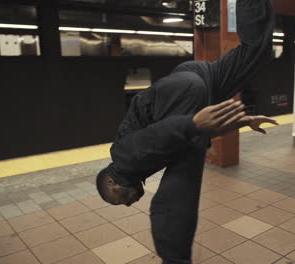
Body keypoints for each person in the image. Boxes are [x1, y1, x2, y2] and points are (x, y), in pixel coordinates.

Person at [96, 0, 276, 263]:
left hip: (179, 93)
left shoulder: (124, 157)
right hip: (199, 78)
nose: (126, 204)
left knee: (180, 184)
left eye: (117, 200)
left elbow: (157, 136)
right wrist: (238, 122)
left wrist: (193, 124)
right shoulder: (136, 165)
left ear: (111, 182)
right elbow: (168, 137)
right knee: (257, 52)